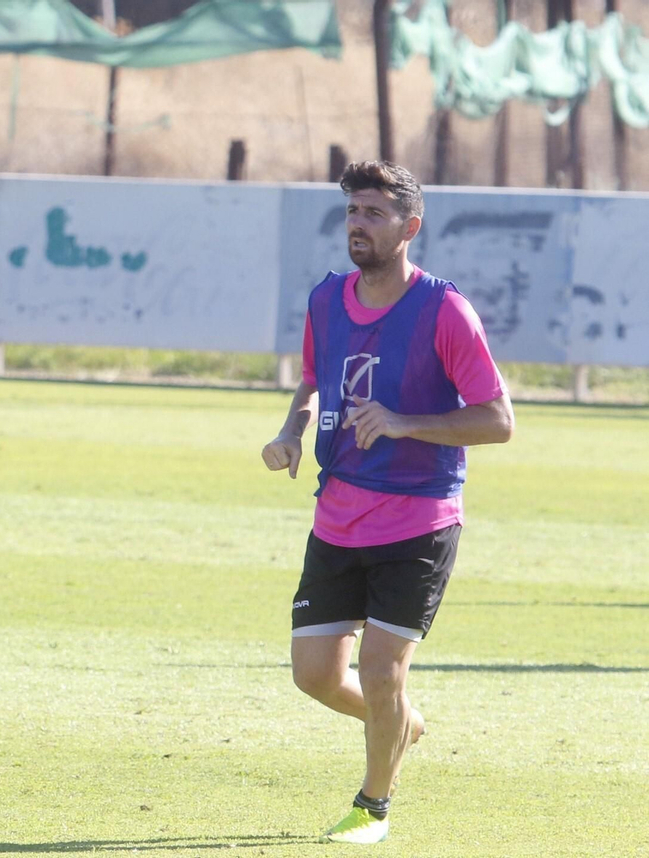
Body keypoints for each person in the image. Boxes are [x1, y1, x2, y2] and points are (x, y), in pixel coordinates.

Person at [260, 161, 514, 844]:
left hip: (418, 519)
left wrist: (404, 422)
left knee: (380, 670)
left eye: (373, 213)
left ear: (410, 226)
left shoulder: (443, 309)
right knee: (314, 675)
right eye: (351, 213)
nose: (358, 226)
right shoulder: (325, 299)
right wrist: (290, 432)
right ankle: (400, 719)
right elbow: (314, 380)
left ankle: (373, 806)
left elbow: (498, 419)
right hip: (336, 515)